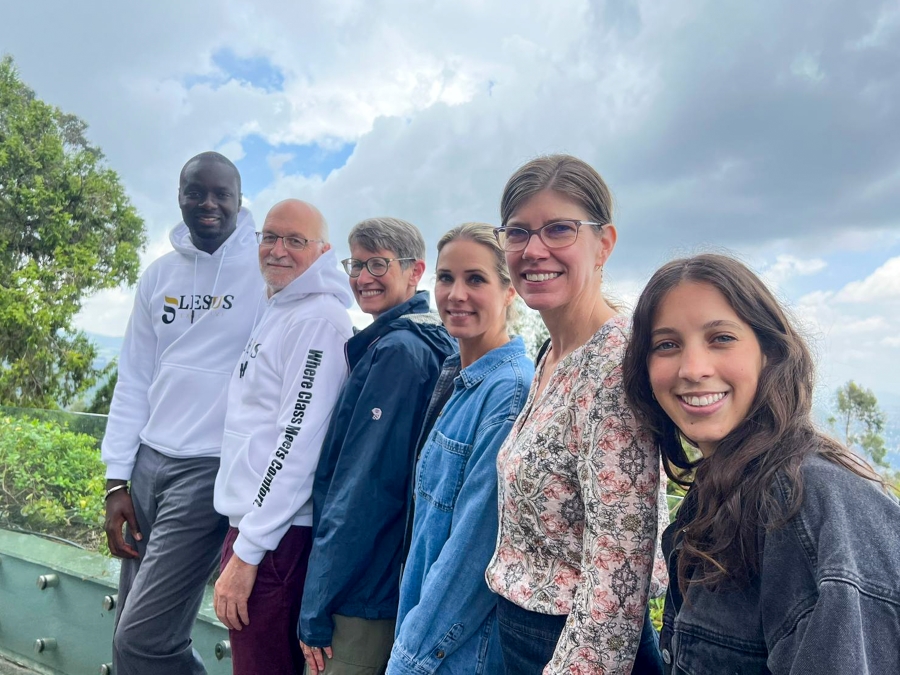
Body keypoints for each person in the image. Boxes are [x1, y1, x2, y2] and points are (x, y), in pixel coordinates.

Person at [622, 253, 900, 674]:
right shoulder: (721, 489)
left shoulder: (810, 504)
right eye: (666, 345)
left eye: (721, 338)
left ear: (769, 352)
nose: (693, 369)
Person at [484, 154, 665, 675]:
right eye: (517, 232)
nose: (533, 249)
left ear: (603, 243)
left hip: (575, 648)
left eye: (558, 229)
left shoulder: (614, 362)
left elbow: (618, 576)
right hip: (524, 631)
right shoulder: (554, 353)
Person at [102, 152, 263, 674]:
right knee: (130, 625)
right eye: (197, 192)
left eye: (222, 194)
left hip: (209, 471)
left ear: (240, 200)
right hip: (149, 463)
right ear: (180, 196)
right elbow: (134, 379)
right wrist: (116, 480)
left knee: (144, 640)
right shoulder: (159, 276)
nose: (209, 204)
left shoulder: (265, 272)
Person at [300, 217, 457, 675]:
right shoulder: (426, 341)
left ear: (414, 271)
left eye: (378, 264)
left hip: (362, 592)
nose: (363, 277)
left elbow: (363, 489)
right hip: (391, 579)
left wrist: (316, 604)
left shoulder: (398, 353)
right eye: (356, 264)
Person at [212, 199, 354, 674]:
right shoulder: (281, 307)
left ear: (323, 251)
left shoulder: (316, 320)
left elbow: (298, 445)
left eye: (295, 240)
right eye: (270, 237)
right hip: (259, 527)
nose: (278, 249)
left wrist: (248, 551)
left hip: (275, 538)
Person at [386, 223, 535, 675]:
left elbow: (475, 548)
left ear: (509, 291)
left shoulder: (508, 392)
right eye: (446, 277)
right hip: (428, 631)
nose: (455, 294)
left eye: (476, 279)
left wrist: (410, 659)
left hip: (459, 653)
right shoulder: (458, 377)